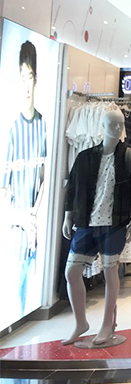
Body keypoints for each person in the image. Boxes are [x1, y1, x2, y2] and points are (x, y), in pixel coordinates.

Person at [1, 41, 47, 317]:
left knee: (28, 290)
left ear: (35, 79)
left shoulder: (43, 125)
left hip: (35, 226)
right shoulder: (12, 128)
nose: (26, 84)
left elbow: (43, 179)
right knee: (13, 294)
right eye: (22, 77)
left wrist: (34, 217)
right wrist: (21, 219)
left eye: (30, 77)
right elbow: (4, 188)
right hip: (15, 228)